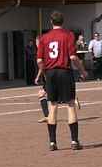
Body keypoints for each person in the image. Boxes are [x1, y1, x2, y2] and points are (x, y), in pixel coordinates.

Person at [36, 11, 87, 151]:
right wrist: (83, 71)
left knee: (52, 106)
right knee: (70, 104)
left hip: (50, 73)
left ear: (51, 22)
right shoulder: (68, 35)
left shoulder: (43, 38)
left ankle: (52, 143)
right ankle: (74, 141)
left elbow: (39, 60)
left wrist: (45, 73)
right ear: (62, 22)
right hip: (65, 72)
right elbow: (73, 58)